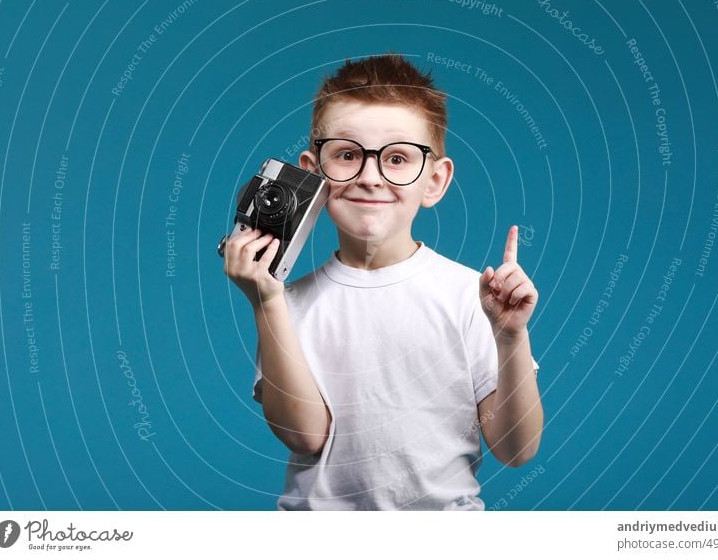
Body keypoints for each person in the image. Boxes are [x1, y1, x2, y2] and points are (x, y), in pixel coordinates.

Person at [223, 53, 543, 510]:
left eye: (396, 159)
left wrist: (511, 338)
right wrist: (265, 301)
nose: (370, 178)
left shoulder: (474, 298)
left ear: (434, 181)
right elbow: (304, 435)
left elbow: (516, 450)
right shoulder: (285, 301)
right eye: (347, 155)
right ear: (313, 173)